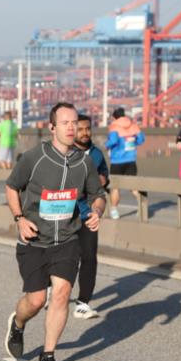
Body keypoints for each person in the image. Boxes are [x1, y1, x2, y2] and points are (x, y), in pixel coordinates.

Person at [3, 102, 105, 361]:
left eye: (74, 123)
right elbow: (12, 187)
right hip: (34, 240)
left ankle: (48, 355)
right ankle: (19, 324)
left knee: (61, 294)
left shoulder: (84, 161)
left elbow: (98, 195)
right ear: (52, 128)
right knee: (35, 300)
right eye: (65, 123)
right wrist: (19, 219)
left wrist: (96, 211)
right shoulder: (34, 158)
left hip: (67, 240)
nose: (71, 128)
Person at [73, 114, 110, 320]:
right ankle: (52, 287)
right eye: (81, 129)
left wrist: (102, 180)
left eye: (88, 129)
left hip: (88, 213)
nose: (85, 133)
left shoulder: (96, 154)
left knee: (89, 258)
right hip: (66, 212)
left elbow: (105, 176)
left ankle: (82, 303)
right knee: (64, 258)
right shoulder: (65, 153)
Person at [105, 107, 145, 219]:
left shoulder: (114, 126)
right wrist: (134, 142)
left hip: (117, 160)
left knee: (115, 187)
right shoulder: (133, 125)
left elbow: (113, 141)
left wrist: (106, 145)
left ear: (114, 117)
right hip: (131, 160)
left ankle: (114, 211)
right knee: (133, 187)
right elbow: (141, 139)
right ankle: (142, 206)